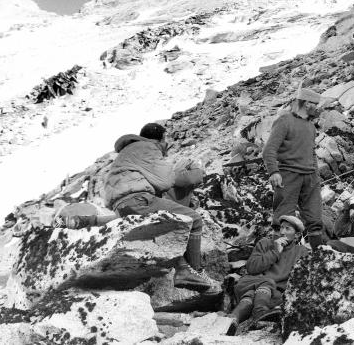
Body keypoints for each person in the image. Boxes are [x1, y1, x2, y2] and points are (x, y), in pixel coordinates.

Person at [104, 122, 213, 291]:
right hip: (138, 199)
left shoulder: (127, 152)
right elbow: (166, 181)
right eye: (165, 140)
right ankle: (195, 271)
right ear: (161, 139)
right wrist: (196, 172)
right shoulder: (149, 147)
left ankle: (183, 268)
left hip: (120, 205)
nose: (166, 145)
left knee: (164, 225)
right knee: (194, 219)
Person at [262, 86, 324, 249]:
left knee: (315, 218)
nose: (317, 109)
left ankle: (318, 257)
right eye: (315, 105)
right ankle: (280, 257)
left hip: (310, 177)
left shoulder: (310, 127)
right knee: (283, 218)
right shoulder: (284, 121)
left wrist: (316, 177)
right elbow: (269, 150)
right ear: (306, 103)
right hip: (288, 175)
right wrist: (274, 171)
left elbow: (312, 153)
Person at [228, 215, 308, 332]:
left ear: (296, 235)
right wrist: (275, 251)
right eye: (281, 228)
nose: (282, 232)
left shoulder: (301, 251)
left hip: (273, 292)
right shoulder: (265, 243)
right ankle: (260, 314)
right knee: (267, 282)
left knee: (251, 295)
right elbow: (252, 268)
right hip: (251, 282)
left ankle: (232, 320)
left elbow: (299, 279)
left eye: (287, 229)